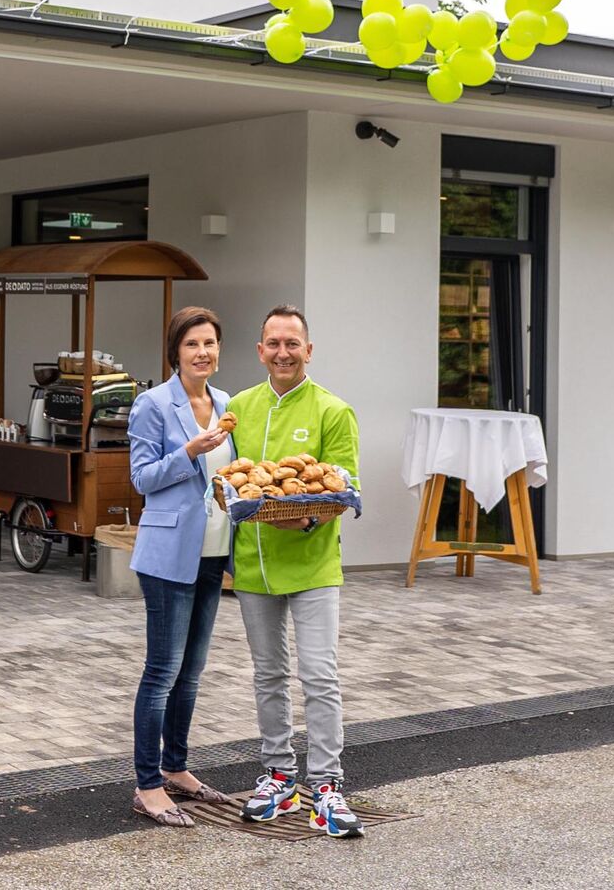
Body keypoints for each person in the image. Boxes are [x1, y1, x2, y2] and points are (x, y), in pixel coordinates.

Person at [226, 305, 364, 838]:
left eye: (293, 343)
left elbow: (345, 491)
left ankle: (326, 786)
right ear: (260, 351)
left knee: (320, 677)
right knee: (268, 676)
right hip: (255, 565)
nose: (283, 352)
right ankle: (279, 776)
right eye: (273, 343)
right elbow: (233, 483)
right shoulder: (239, 407)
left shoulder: (334, 411)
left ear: (309, 350)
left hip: (313, 565)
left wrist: (304, 519)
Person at [125, 306, 234, 827]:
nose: (203, 352)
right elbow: (142, 478)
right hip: (168, 556)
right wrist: (191, 449)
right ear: (175, 352)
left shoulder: (226, 403)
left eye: (210, 343)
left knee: (191, 673)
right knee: (162, 672)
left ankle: (177, 767)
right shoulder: (152, 404)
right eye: (193, 344)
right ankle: (147, 784)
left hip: (213, 551)